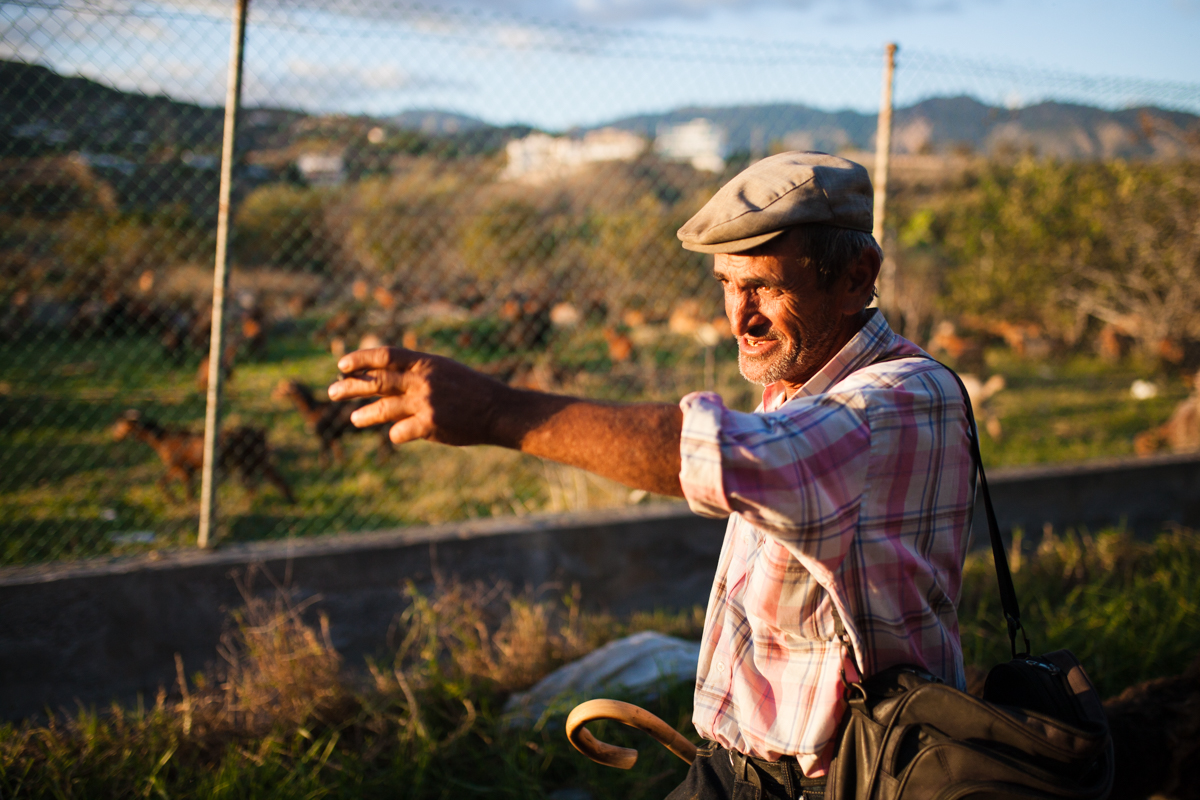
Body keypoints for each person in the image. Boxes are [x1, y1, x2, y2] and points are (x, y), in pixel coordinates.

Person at [328, 152, 975, 800]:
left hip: (837, 783)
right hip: (748, 771)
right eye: (727, 283)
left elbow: (719, 454)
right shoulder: (802, 382)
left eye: (766, 287)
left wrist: (499, 411)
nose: (739, 317)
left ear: (857, 278)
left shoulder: (894, 400)